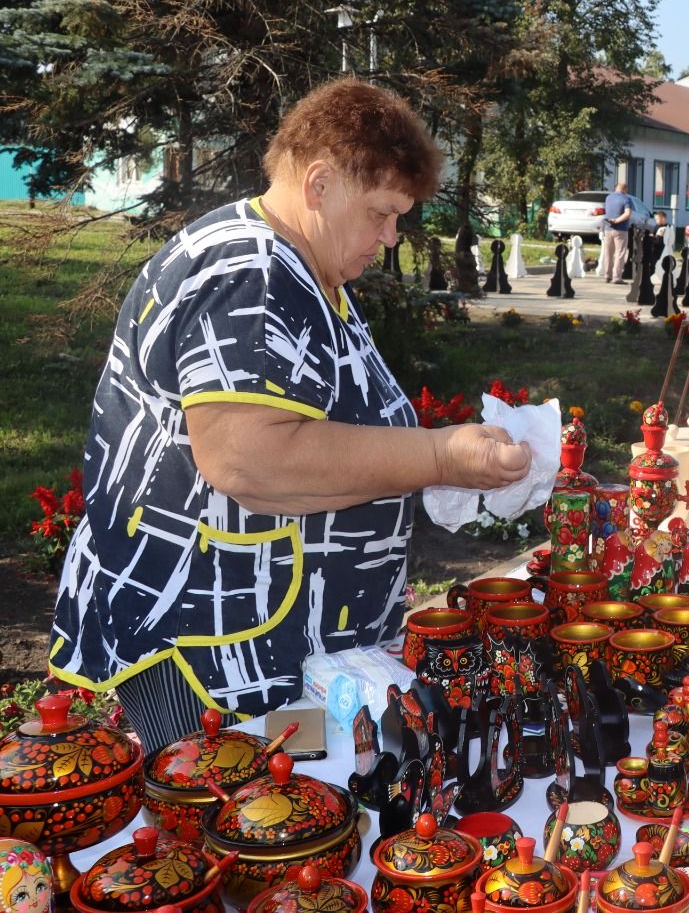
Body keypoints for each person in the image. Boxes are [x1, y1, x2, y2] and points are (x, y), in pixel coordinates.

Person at [49, 78, 533, 751]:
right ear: (320, 184)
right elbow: (249, 456)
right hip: (215, 658)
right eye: (382, 213)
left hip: (265, 648)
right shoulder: (254, 269)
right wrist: (441, 456)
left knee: (295, 810)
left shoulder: (301, 268)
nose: (392, 236)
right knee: (249, 821)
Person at [600, 180, 635, 283]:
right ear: (625, 189)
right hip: (621, 229)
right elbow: (628, 213)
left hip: (608, 228)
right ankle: (617, 277)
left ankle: (607, 275)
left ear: (615, 188)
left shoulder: (608, 198)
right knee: (619, 253)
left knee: (608, 253)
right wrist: (617, 220)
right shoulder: (626, 198)